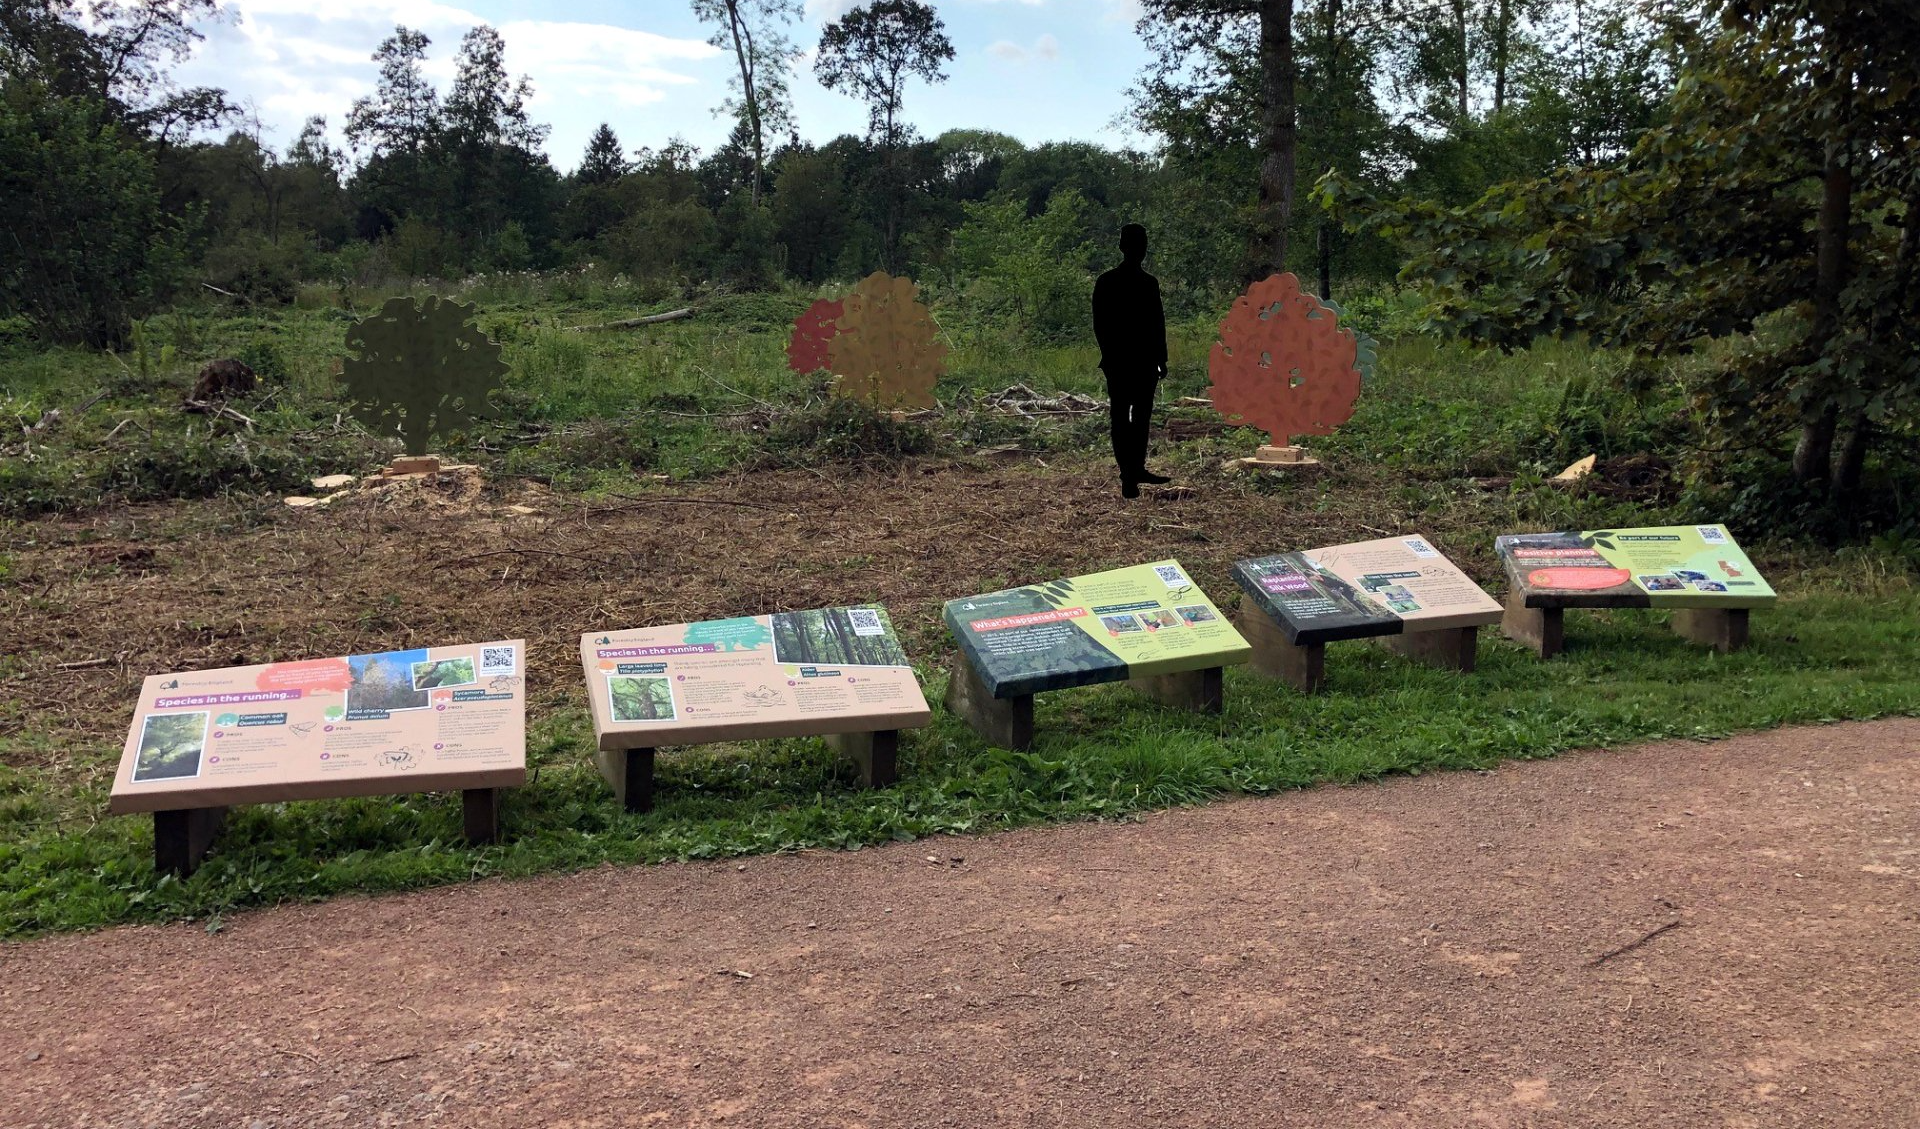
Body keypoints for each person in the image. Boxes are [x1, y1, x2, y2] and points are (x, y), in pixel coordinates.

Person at [1092, 223, 1171, 498]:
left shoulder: (1107, 281)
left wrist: (1110, 355)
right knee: (1137, 417)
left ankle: (1131, 472)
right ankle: (1132, 471)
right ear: (1140, 248)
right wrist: (1161, 358)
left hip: (1123, 363)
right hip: (1140, 362)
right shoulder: (1147, 283)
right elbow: (1155, 324)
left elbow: (1100, 325)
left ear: (1121, 247)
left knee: (1123, 417)